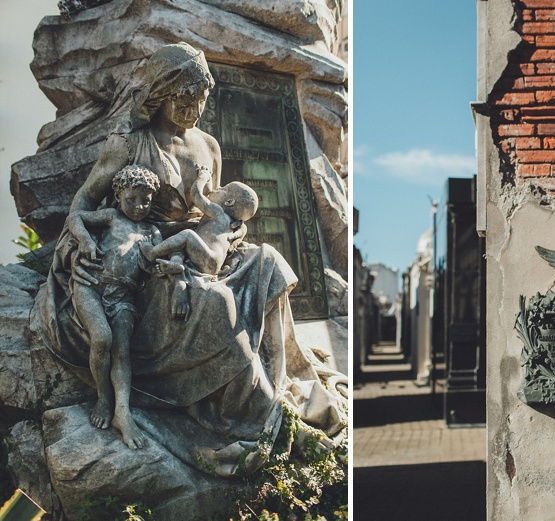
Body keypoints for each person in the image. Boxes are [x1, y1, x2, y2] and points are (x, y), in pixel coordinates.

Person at [33, 42, 346, 476]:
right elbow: (84, 201)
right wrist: (82, 245)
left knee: (269, 260)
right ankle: (252, 410)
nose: (194, 109)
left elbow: (213, 208)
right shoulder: (129, 143)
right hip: (149, 260)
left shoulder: (208, 146)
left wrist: (232, 231)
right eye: (184, 99)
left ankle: (275, 378)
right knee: (217, 304)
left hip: (200, 249)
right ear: (159, 95)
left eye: (201, 99)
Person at [68, 165, 161, 449]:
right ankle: (104, 398)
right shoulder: (110, 217)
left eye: (145, 200)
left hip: (123, 297)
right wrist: (84, 239)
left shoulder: (152, 231)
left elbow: (158, 262)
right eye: (131, 199)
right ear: (118, 197)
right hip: (91, 287)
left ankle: (123, 411)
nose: (138, 206)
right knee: (102, 338)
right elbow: (76, 217)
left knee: (121, 347)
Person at [139, 166, 258, 319]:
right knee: (179, 247)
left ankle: (151, 252)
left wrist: (203, 176)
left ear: (229, 201)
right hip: (212, 263)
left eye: (223, 189)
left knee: (187, 236)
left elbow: (196, 195)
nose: (218, 188)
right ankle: (177, 267)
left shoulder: (218, 212)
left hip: (208, 258)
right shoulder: (231, 223)